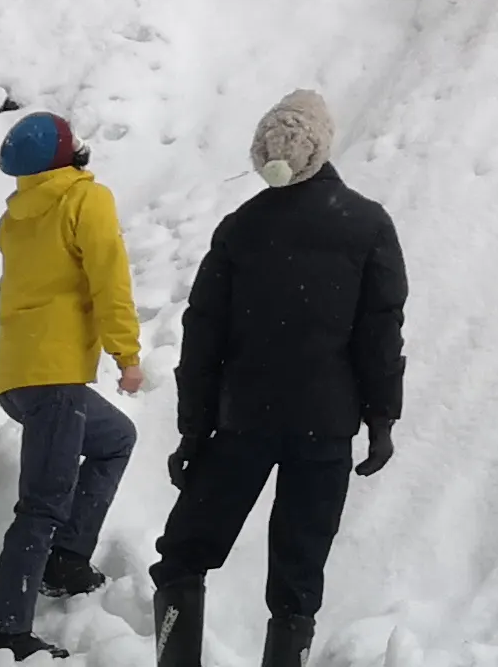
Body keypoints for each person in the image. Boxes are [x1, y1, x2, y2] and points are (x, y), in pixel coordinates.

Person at [151, 90, 406, 667]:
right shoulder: (367, 224)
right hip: (325, 429)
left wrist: (193, 432)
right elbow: (380, 333)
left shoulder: (241, 227)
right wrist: (381, 418)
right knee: (297, 579)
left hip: (242, 425)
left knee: (183, 557)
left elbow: (202, 338)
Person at [0, 111, 145, 664]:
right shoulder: (83, 200)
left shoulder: (15, 215)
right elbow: (108, 275)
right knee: (43, 502)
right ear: (67, 151)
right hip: (55, 377)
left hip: (19, 376)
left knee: (114, 438)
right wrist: (126, 354)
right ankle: (4, 632)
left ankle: (67, 558)